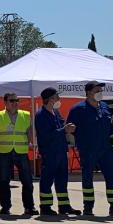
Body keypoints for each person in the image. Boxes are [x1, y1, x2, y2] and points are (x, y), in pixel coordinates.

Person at [68, 82, 113, 216]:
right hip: (88, 149)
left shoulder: (104, 107)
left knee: (112, 177)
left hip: (106, 149)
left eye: (100, 90)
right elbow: (70, 129)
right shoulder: (78, 109)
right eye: (97, 90)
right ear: (88, 92)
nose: (100, 92)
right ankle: (88, 207)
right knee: (87, 178)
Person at [35, 88, 81, 216]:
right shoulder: (41, 115)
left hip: (61, 151)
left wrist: (68, 128)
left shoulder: (56, 112)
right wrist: (64, 130)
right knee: (47, 180)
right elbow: (46, 135)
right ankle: (45, 206)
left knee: (62, 180)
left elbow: (60, 127)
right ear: (50, 99)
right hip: (49, 152)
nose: (59, 99)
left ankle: (64, 205)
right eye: (56, 97)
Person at [0, 93, 34, 216]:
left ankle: (29, 207)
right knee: (4, 181)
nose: (15, 103)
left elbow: (30, 134)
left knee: (27, 181)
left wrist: (31, 143)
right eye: (12, 101)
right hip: (4, 152)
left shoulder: (26, 115)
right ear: (5, 102)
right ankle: (5, 207)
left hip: (21, 152)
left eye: (17, 100)